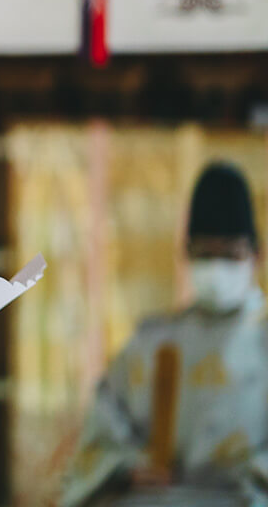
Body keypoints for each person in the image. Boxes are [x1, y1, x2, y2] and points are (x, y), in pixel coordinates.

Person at [62, 161, 268, 507]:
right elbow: (103, 428)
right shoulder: (153, 342)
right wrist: (126, 467)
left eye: (229, 254)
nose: (216, 269)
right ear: (186, 254)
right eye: (205, 255)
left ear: (256, 255)